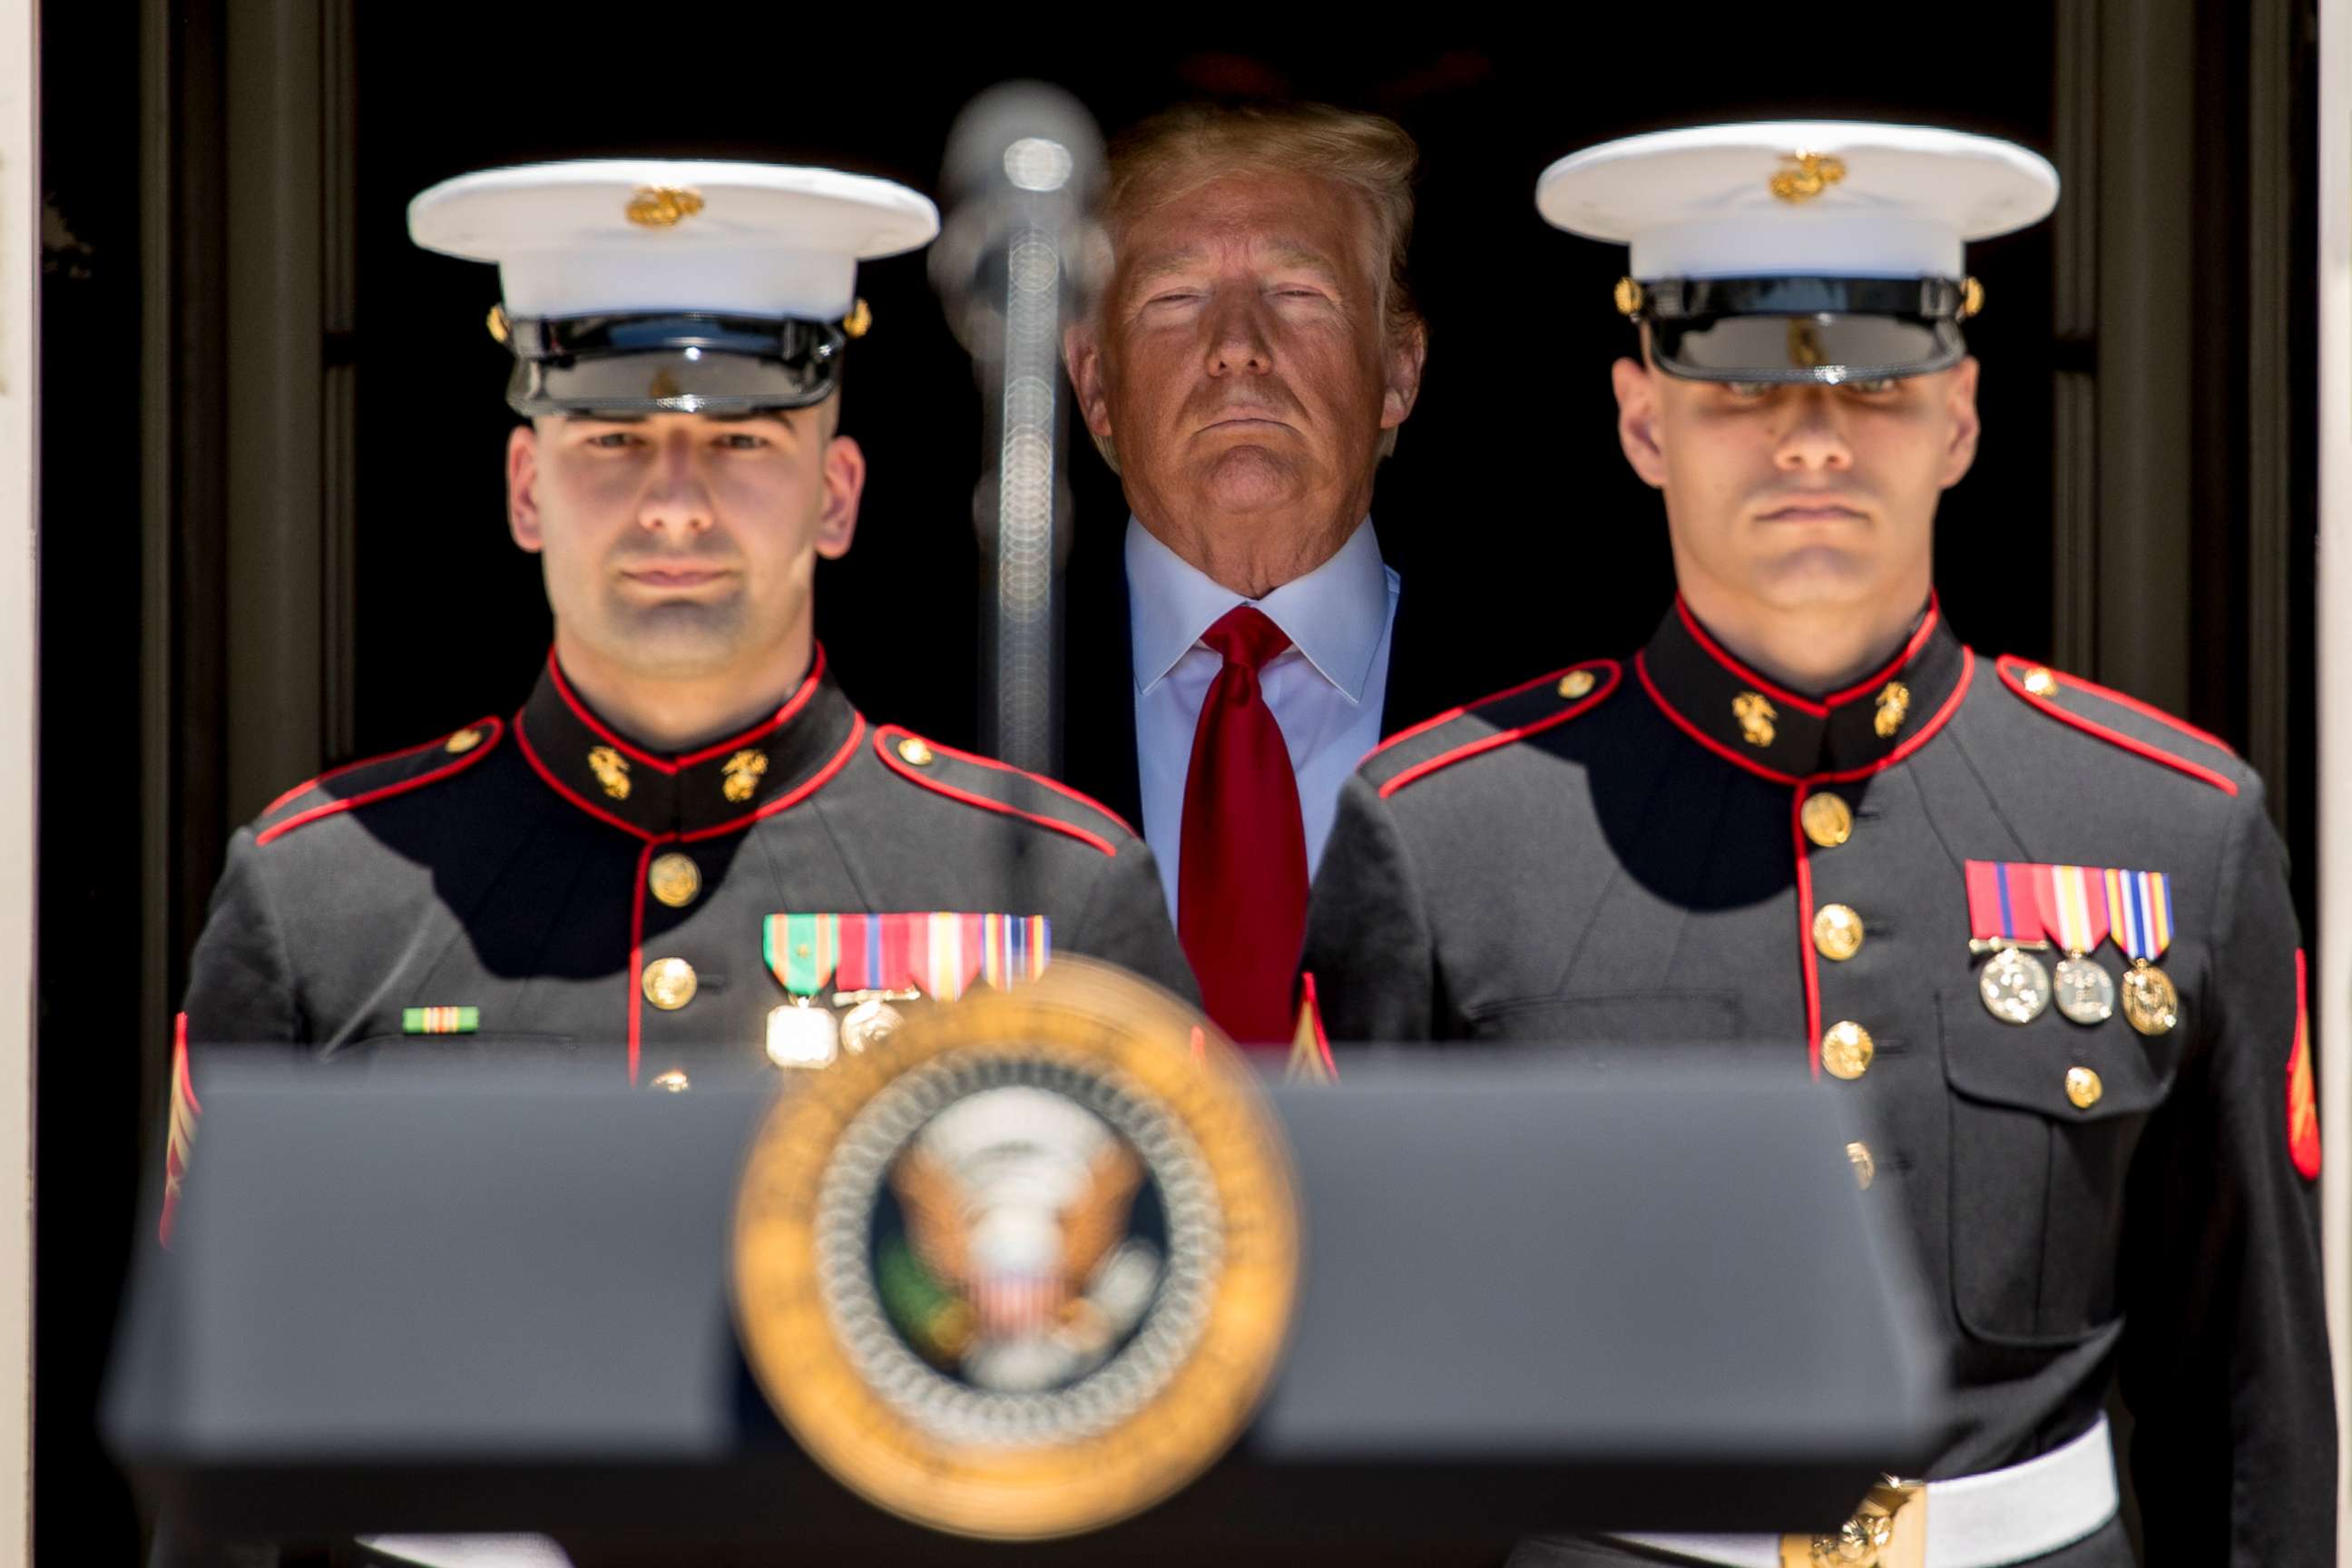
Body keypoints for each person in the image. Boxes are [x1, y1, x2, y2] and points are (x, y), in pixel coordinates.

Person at [1300, 122, 2330, 1566]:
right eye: (1737, 388)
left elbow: (2252, 1414)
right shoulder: (1447, 839)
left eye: (1877, 383)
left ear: (1961, 420)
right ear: (1642, 421)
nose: (1811, 439)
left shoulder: (2171, 829)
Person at [162, 158, 1196, 1240]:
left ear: (837, 497)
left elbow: (1165, 1336)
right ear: (526, 491)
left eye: (740, 443)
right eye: (613, 443)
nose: (672, 507)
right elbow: (221, 1363)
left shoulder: (1053, 895)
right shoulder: (324, 902)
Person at [1059, 103, 1432, 1045]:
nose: (1236, 346)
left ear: (1397, 369)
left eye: (1299, 294)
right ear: (1095, 384)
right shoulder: (972, 701)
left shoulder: (1545, 714)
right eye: (1174, 299)